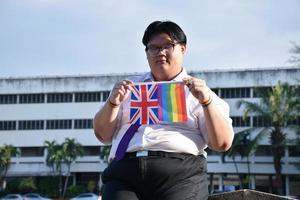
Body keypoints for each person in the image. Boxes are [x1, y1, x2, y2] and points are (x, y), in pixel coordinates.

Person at [94, 20, 234, 200]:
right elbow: (102, 135)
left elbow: (222, 143)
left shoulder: (199, 92)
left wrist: (206, 102)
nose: (160, 52)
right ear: (146, 53)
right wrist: (113, 103)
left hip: (179, 172)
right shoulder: (128, 88)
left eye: (168, 45)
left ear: (183, 49)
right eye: (153, 48)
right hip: (125, 171)